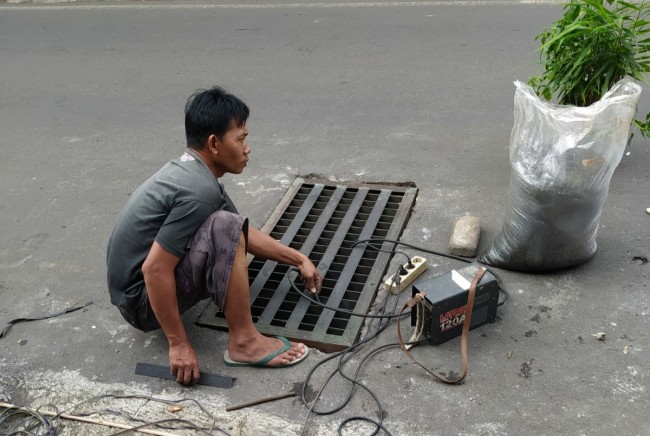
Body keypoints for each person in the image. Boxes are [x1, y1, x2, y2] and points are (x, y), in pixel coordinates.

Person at [106, 86, 322, 385]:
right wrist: (179, 344)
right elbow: (154, 269)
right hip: (140, 303)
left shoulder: (193, 171)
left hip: (136, 292)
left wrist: (297, 259)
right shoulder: (199, 191)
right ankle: (244, 343)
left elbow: (241, 233)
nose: (248, 148)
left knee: (227, 225)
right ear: (213, 143)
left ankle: (241, 334)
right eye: (241, 139)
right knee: (222, 225)